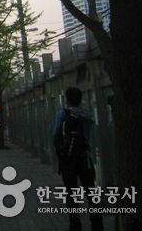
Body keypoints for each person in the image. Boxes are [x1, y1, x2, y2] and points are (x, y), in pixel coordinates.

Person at [53, 87, 103, 231]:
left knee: (71, 193)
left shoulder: (63, 114)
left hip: (68, 159)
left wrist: (60, 152)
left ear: (67, 99)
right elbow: (89, 134)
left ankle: (75, 225)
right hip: (85, 157)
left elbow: (55, 134)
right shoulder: (86, 114)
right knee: (91, 191)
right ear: (80, 99)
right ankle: (97, 224)